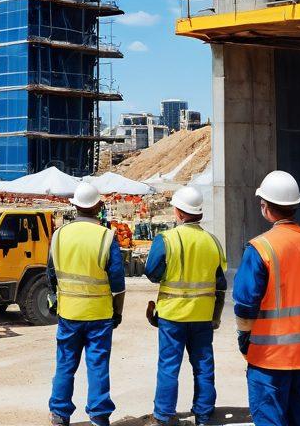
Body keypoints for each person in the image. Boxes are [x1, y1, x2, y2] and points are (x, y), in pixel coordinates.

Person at [233, 171, 300, 426]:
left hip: (269, 358)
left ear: (265, 207)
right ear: (295, 206)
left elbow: (246, 303)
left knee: (271, 419)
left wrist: (244, 338)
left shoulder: (261, 248)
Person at [143, 185, 227, 426]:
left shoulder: (167, 239)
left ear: (178, 212)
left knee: (169, 366)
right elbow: (220, 280)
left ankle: (164, 414)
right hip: (201, 315)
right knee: (203, 365)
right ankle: (203, 413)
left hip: (172, 316)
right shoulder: (212, 241)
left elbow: (152, 273)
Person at [48, 180, 125, 426]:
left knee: (65, 364)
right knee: (98, 364)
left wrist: (55, 300)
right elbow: (118, 282)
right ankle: (99, 415)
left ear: (75, 206)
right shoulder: (106, 236)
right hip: (99, 314)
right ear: (98, 206)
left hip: (69, 313)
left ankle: (60, 414)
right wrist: (118, 312)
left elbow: (50, 273)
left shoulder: (59, 235)